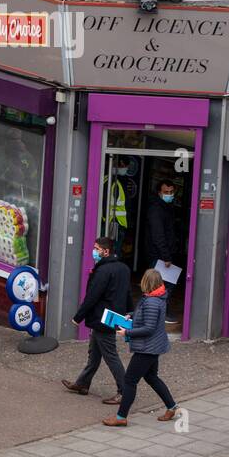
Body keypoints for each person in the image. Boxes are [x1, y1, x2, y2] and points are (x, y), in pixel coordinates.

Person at [103, 269, 179, 427]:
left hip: (147, 348)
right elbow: (148, 317)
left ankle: (121, 417)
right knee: (151, 377)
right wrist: (131, 314)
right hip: (153, 346)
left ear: (146, 282)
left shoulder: (151, 301)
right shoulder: (157, 298)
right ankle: (172, 407)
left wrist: (127, 332)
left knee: (129, 380)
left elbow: (149, 328)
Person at [63, 236, 130, 404]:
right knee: (94, 354)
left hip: (102, 318)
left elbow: (92, 296)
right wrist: (130, 312)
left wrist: (78, 317)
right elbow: (127, 293)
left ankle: (124, 391)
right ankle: (82, 384)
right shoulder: (124, 268)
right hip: (113, 317)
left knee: (111, 356)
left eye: (96, 248)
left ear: (105, 252)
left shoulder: (102, 271)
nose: (94, 252)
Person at [143, 179, 183, 325]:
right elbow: (158, 235)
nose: (170, 195)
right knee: (162, 287)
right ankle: (160, 314)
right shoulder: (156, 209)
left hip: (164, 254)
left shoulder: (167, 207)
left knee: (164, 285)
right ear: (159, 193)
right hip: (159, 255)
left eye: (172, 192)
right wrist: (166, 256)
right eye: (166, 192)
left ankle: (159, 313)